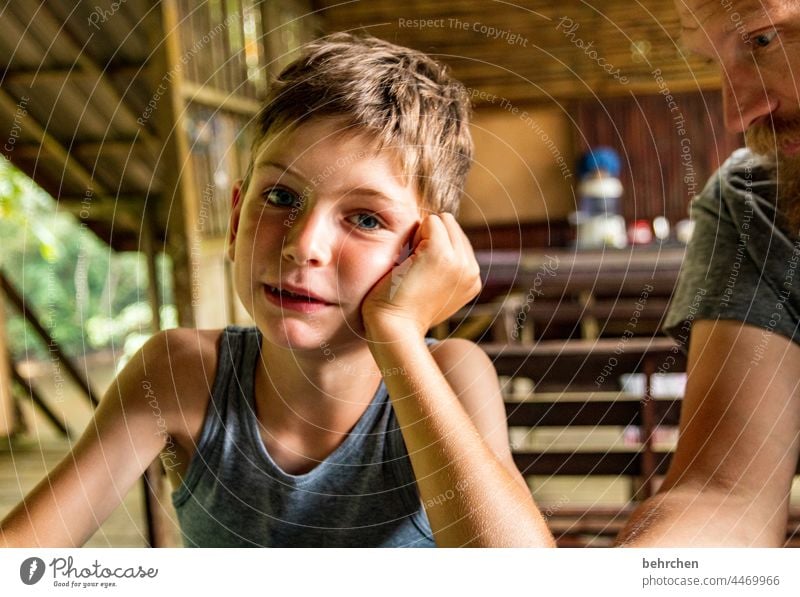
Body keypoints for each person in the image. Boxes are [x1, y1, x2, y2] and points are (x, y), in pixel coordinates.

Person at [0, 33, 554, 548]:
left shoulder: (454, 375)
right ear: (238, 216)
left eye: (364, 218)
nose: (303, 245)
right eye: (283, 197)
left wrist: (399, 332)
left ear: (425, 251)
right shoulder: (181, 374)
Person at [617, 0, 800, 546]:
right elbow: (726, 493)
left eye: (762, 39)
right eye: (713, 61)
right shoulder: (758, 201)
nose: (736, 112)